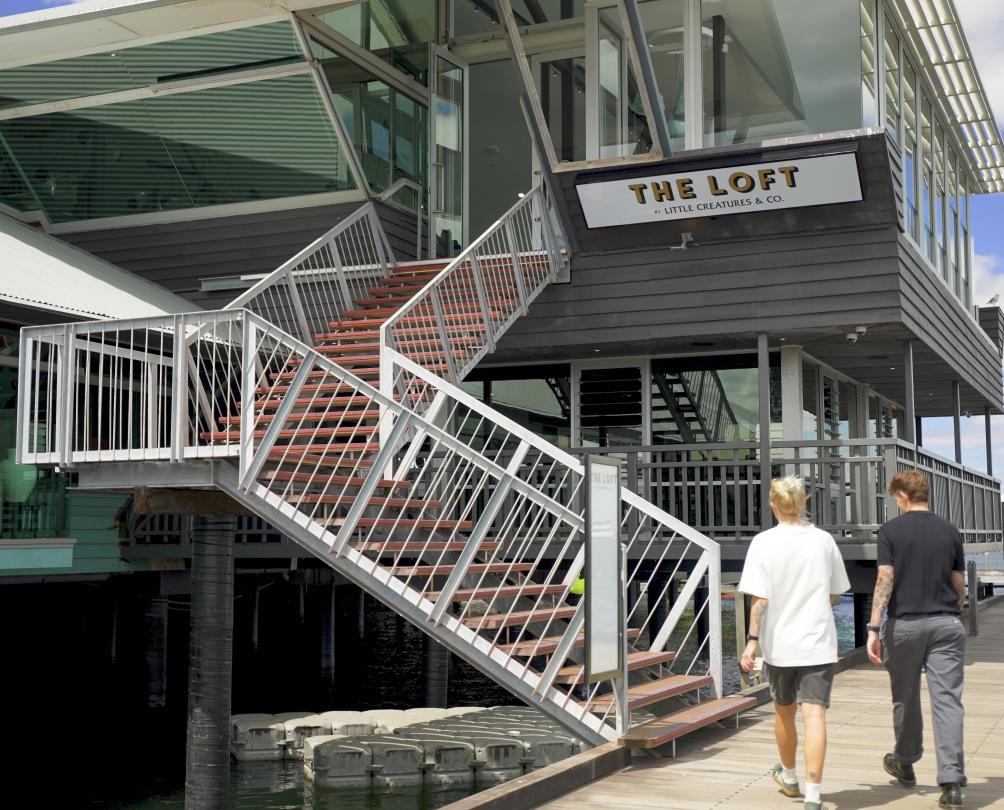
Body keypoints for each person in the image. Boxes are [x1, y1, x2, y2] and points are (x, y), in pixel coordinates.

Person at [739, 476, 850, 810]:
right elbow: (833, 594)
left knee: (784, 713)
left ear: (774, 506)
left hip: (780, 644)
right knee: (814, 715)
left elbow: (759, 600)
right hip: (817, 640)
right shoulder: (824, 541)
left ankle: (789, 779)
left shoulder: (762, 543)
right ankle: (814, 796)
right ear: (804, 502)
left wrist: (751, 642)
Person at [866, 470, 967, 809]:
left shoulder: (891, 531)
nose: (896, 504)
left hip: (905, 626)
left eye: (896, 498)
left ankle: (905, 761)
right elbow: (958, 583)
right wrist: (956, 611)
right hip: (946, 625)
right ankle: (952, 783)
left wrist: (873, 627)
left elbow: (886, 578)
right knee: (948, 702)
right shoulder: (950, 531)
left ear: (904, 498)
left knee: (905, 697)